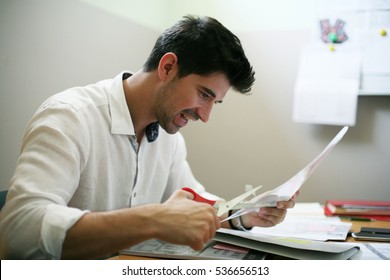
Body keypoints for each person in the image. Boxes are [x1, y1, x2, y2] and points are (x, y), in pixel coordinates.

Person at [0, 15, 298, 259]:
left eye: (214, 102)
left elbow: (195, 205)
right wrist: (152, 220)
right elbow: (17, 232)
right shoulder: (69, 117)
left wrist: (243, 214)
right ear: (168, 67)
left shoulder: (169, 137)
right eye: (203, 95)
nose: (205, 116)